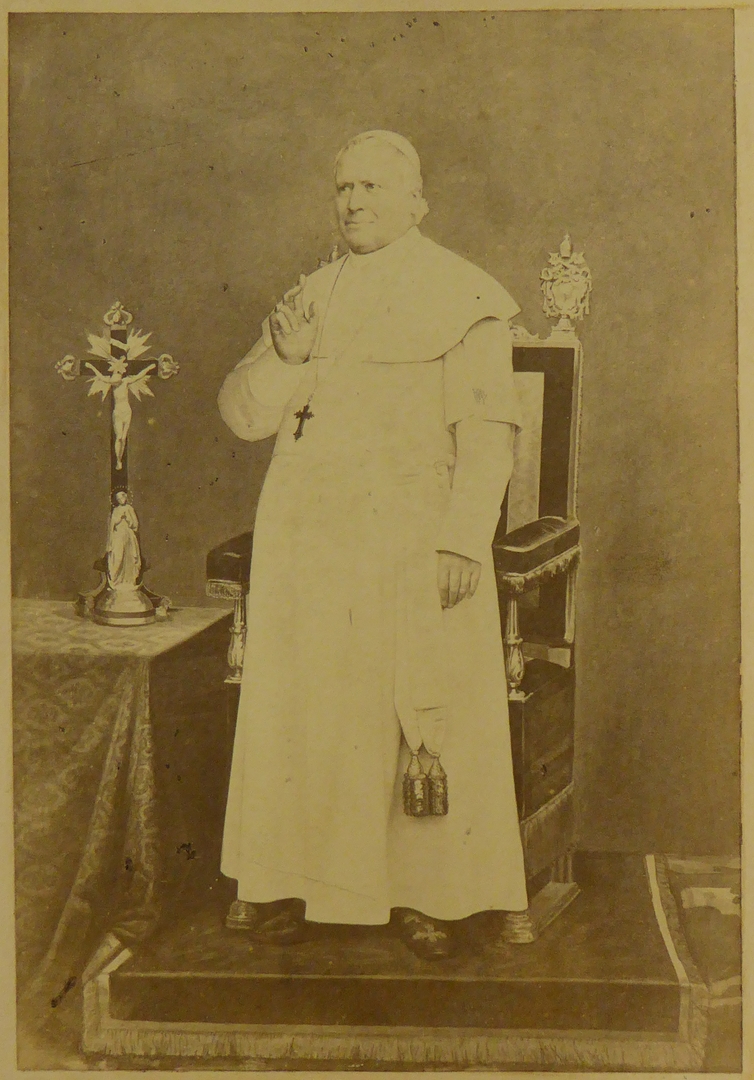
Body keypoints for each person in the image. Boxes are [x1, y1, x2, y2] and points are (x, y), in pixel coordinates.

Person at [217, 130, 528, 960]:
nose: (352, 202)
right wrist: (286, 360)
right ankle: (291, 880)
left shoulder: (464, 293)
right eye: (343, 188)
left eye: (371, 189)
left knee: (417, 710)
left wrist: (463, 541)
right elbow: (243, 414)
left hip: (413, 542)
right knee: (306, 712)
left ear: (416, 202)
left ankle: (432, 894)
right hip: (309, 546)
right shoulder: (311, 295)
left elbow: (489, 437)